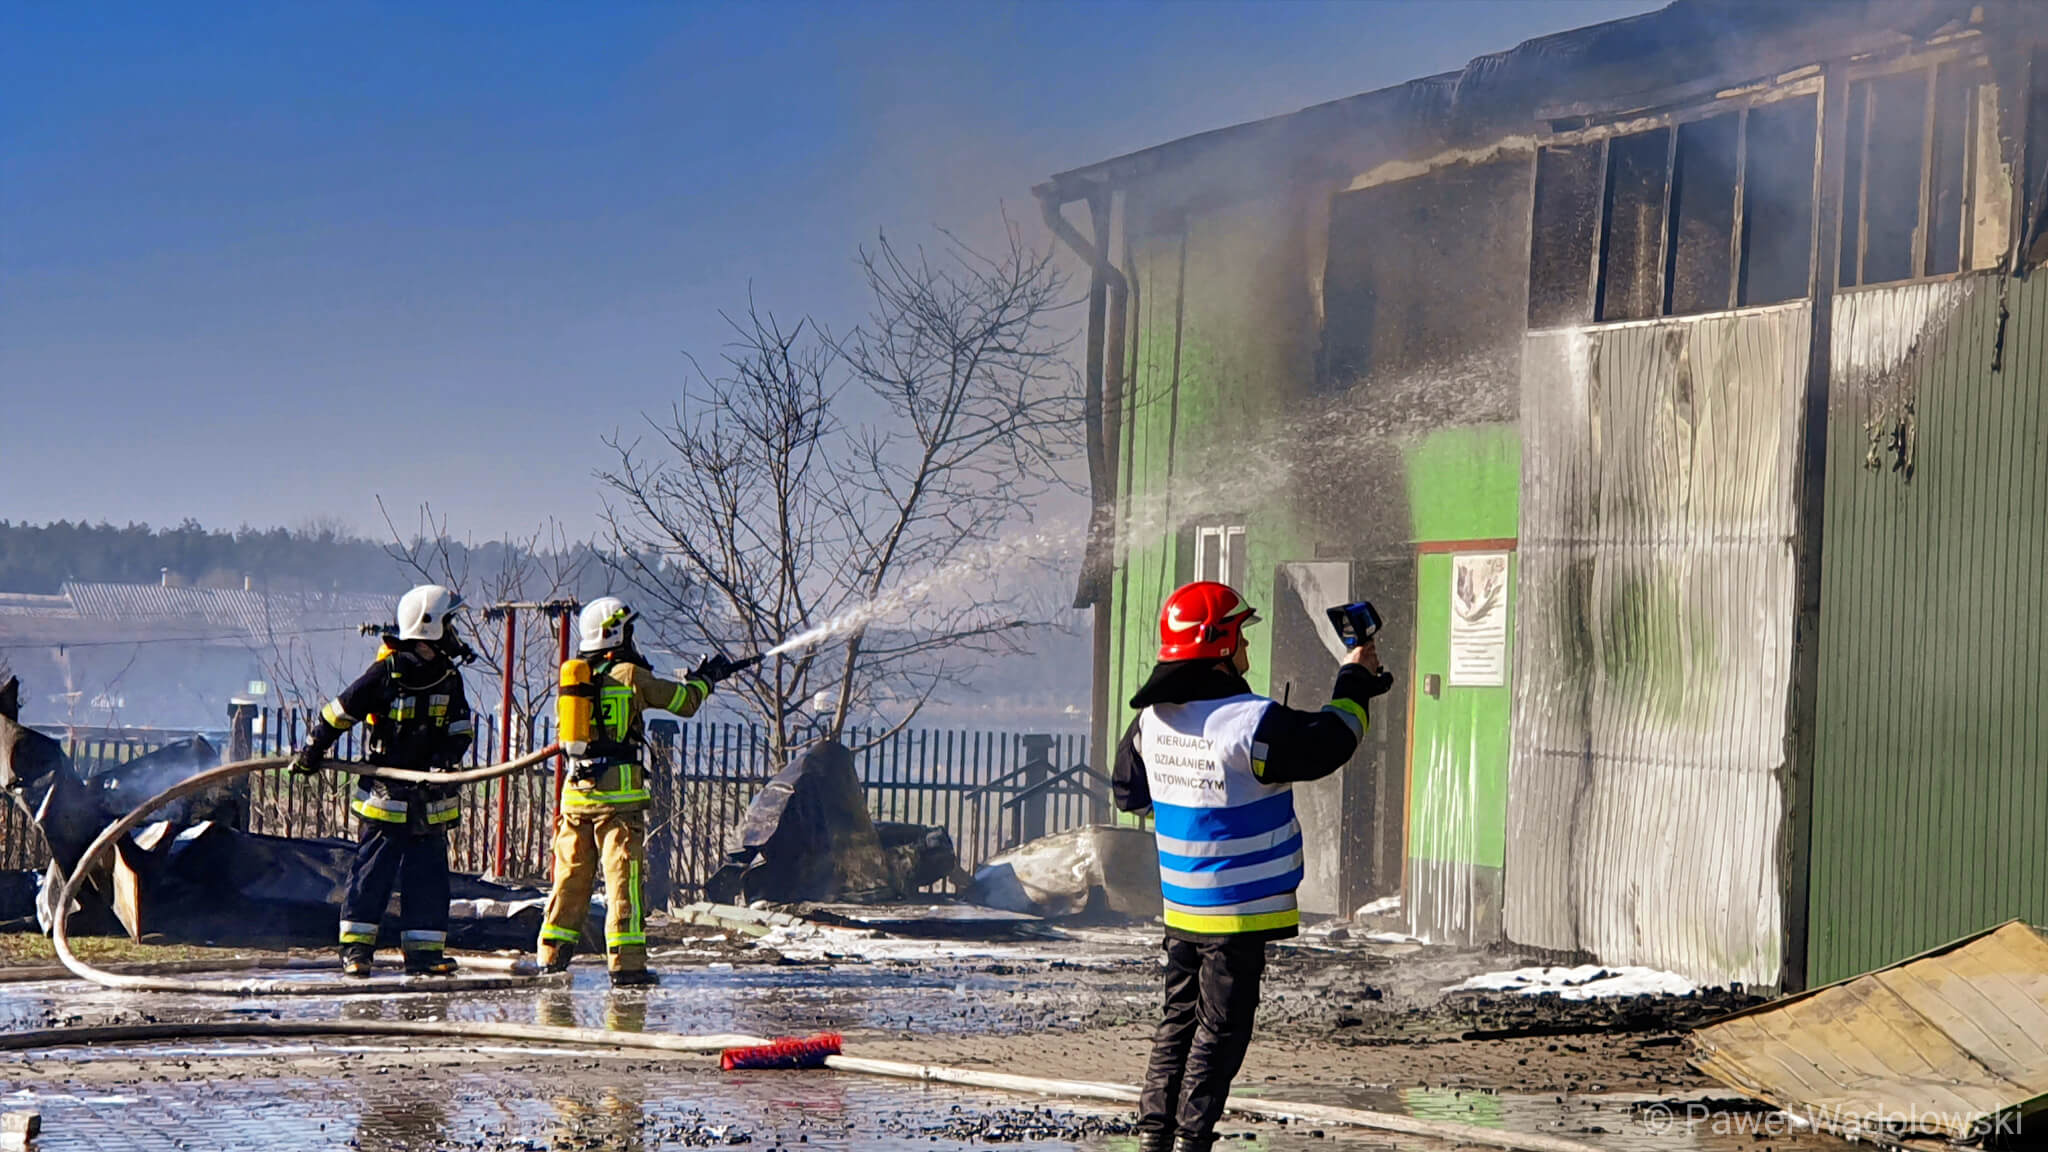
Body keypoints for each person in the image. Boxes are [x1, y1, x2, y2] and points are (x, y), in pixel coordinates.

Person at [1114, 580, 1394, 1152]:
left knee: (1178, 1021)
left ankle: (1153, 1136)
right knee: (1221, 1032)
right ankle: (1193, 1141)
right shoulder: (1248, 721)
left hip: (1182, 907)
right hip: (1237, 913)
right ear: (1217, 646)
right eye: (1241, 635)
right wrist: (1355, 680)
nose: (1247, 648)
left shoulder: (1151, 721)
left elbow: (1130, 795)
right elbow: (1331, 742)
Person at [537, 597, 744, 987]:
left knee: (569, 880)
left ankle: (550, 958)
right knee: (623, 883)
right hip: (618, 802)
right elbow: (685, 702)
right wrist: (706, 679)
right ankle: (627, 965)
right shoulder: (630, 674)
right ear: (617, 632)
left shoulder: (575, 678)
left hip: (576, 796)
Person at [289, 584, 477, 977]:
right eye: (450, 623)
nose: (456, 632)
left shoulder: (447, 676)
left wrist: (446, 760)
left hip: (431, 799)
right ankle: (356, 952)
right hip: (387, 796)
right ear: (430, 626)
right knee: (372, 875)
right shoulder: (387, 673)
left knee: (428, 879)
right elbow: (338, 713)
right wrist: (312, 751)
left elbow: (461, 729)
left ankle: (424, 955)